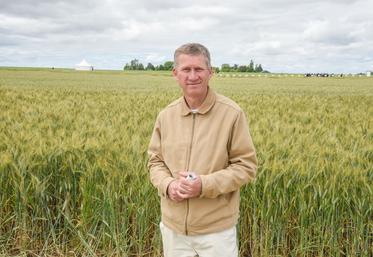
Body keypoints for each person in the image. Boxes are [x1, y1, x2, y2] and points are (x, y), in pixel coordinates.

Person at [147, 43, 257, 257]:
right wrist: (168, 186)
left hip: (216, 232)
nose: (192, 76)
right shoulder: (166, 116)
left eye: (199, 69)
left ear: (210, 72)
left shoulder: (231, 114)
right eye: (186, 70)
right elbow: (155, 161)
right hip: (173, 229)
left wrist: (203, 185)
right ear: (175, 73)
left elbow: (246, 167)